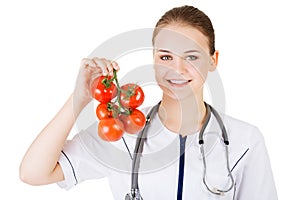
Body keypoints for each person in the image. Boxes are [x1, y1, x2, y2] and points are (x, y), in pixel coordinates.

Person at [19, 5, 278, 200]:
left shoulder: (245, 140)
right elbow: (33, 173)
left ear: (213, 60)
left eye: (191, 56)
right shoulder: (122, 133)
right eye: (166, 57)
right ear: (153, 59)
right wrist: (78, 98)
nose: (177, 69)